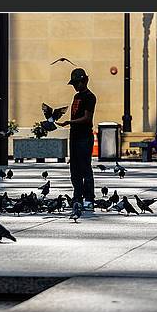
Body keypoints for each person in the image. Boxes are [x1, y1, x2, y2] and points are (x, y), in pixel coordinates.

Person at [56, 68, 96, 211]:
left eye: (77, 83)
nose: (75, 86)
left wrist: (69, 123)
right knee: (74, 169)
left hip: (84, 137)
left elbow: (87, 118)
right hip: (74, 136)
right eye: (73, 84)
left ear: (84, 81)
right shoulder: (76, 97)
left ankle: (89, 198)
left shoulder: (90, 97)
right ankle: (77, 197)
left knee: (85, 168)